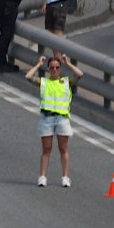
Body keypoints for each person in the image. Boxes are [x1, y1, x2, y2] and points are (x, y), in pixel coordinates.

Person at [25, 54, 83, 187]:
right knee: (46, 149)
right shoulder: (44, 82)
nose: (55, 70)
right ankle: (42, 177)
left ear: (60, 69)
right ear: (48, 70)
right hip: (47, 119)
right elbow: (28, 76)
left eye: (57, 67)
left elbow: (80, 74)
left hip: (62, 119)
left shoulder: (66, 82)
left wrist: (68, 63)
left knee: (63, 148)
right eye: (52, 68)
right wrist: (39, 64)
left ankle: (65, 177)